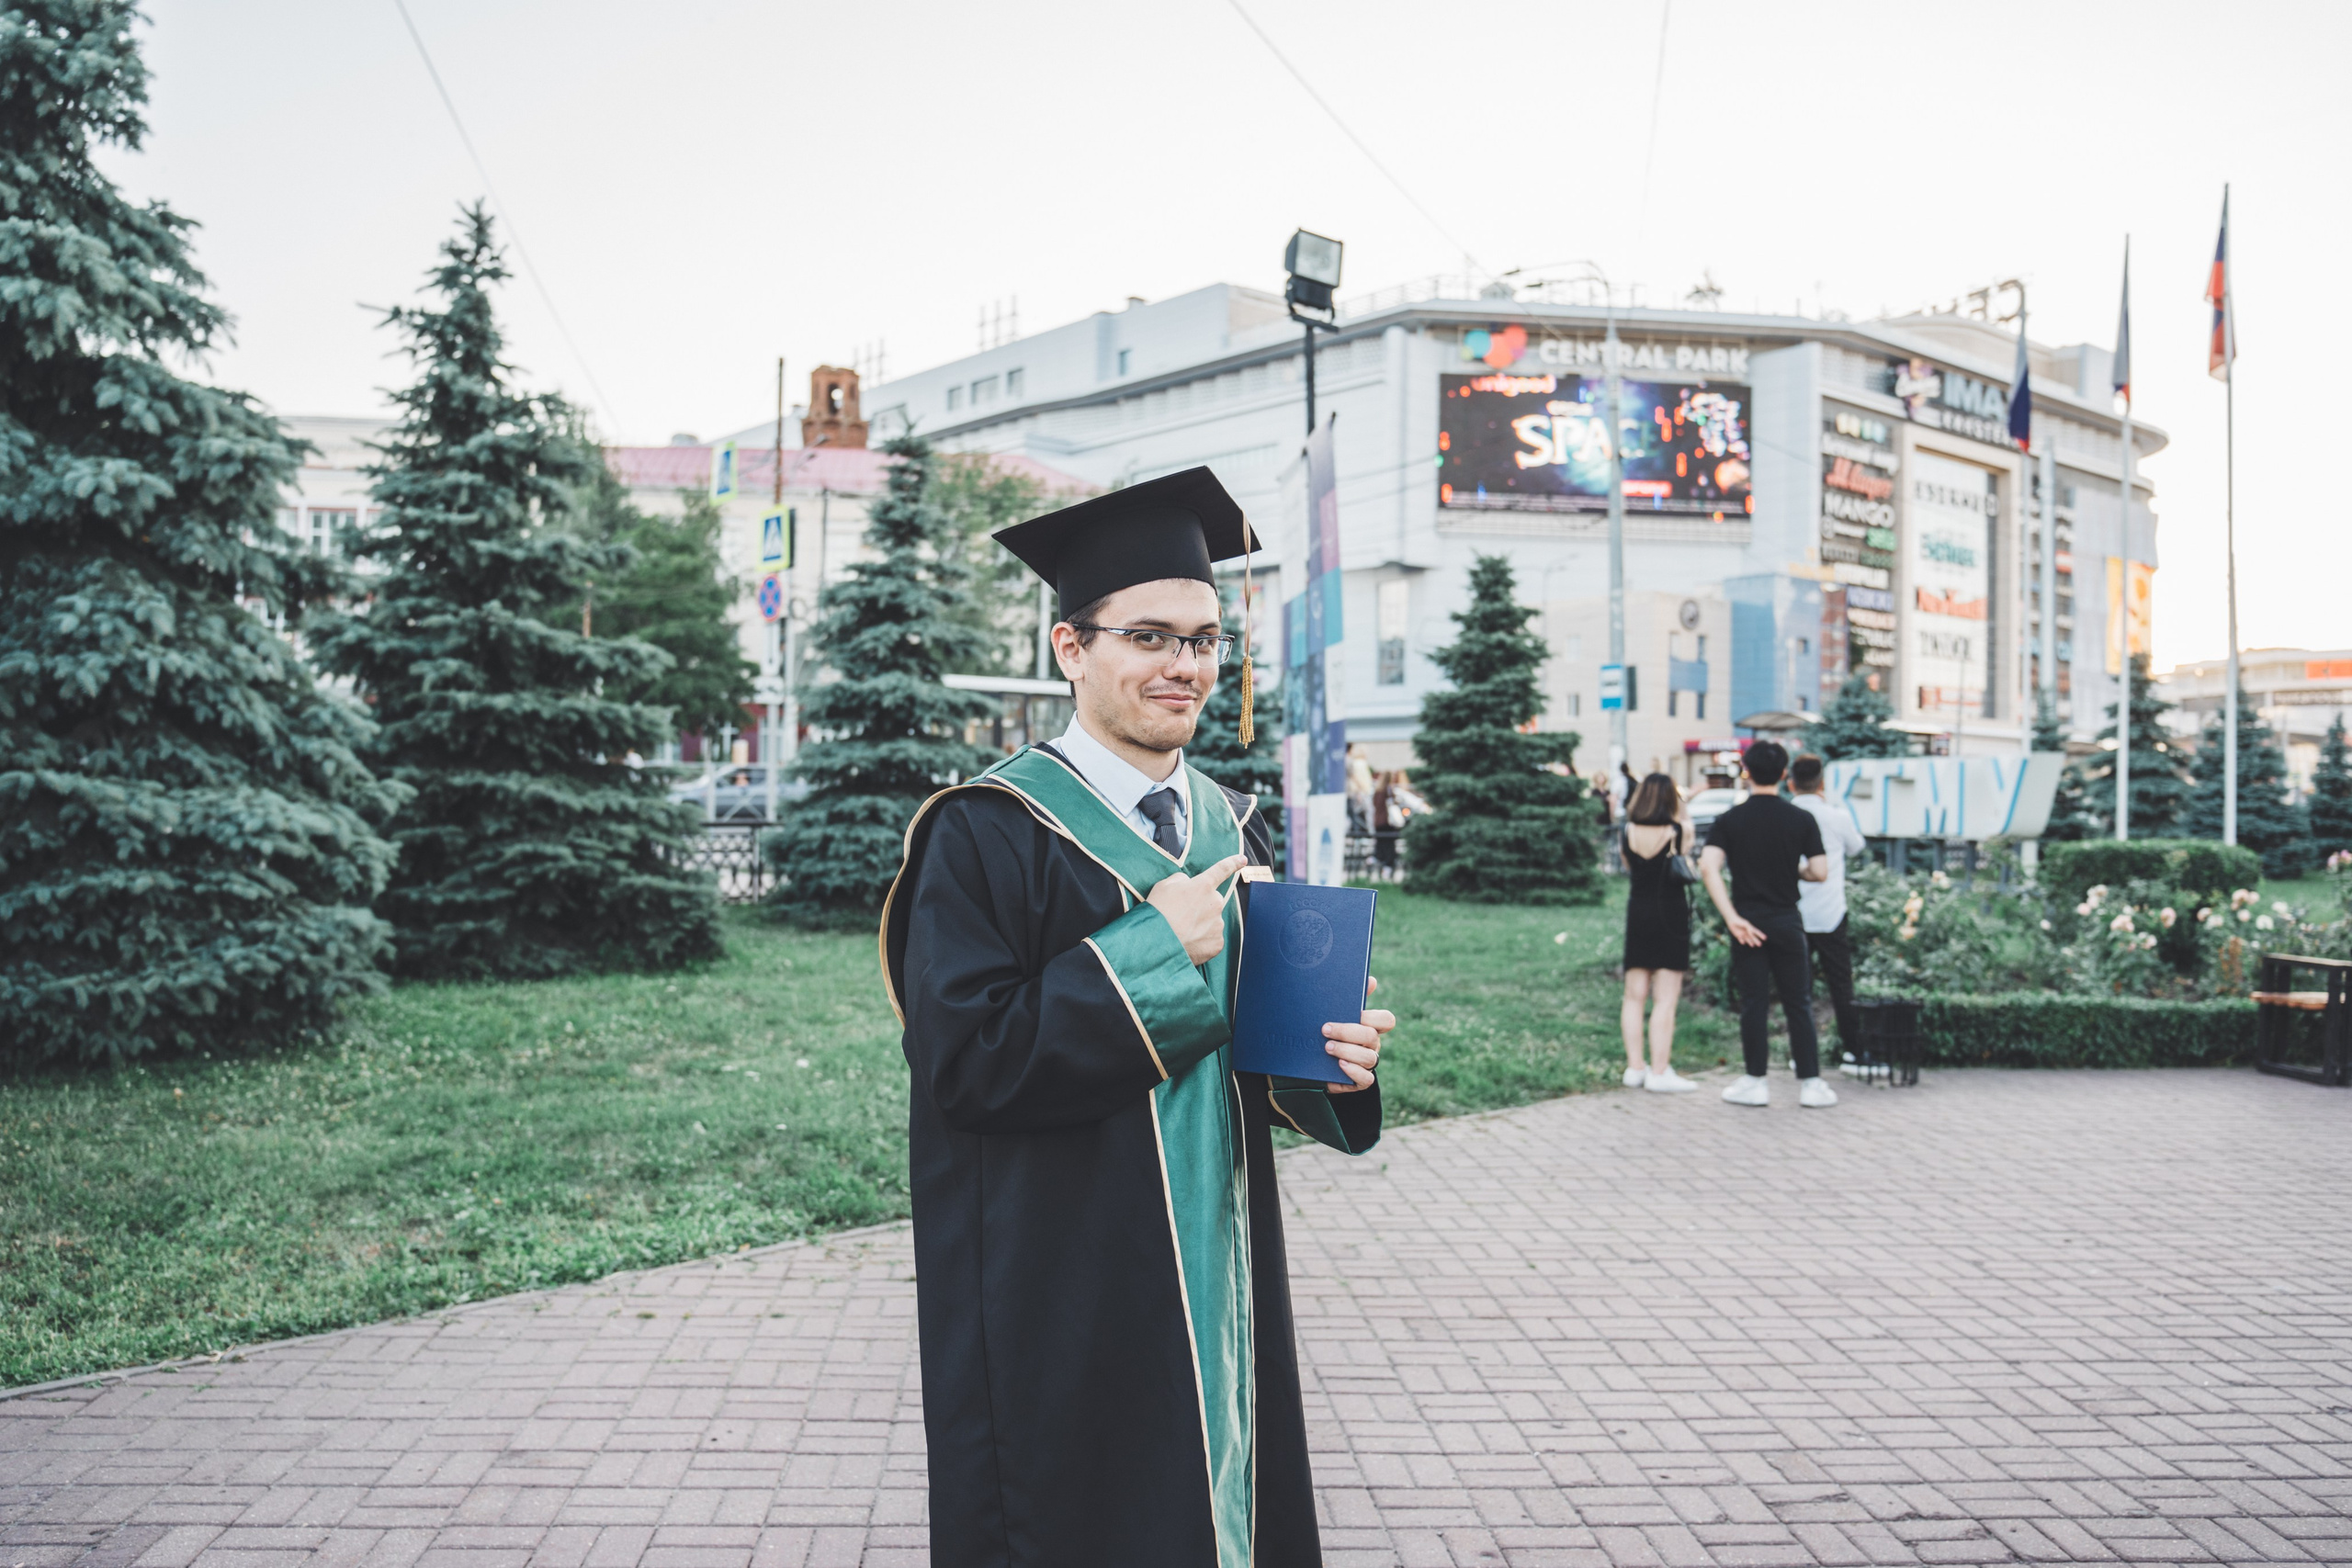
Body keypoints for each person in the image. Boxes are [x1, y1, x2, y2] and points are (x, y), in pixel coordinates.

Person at [882, 466, 1395, 1568]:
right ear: (1072, 648)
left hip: (1221, 1267)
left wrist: (1332, 1069)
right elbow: (967, 1065)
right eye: (1151, 637)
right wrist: (1152, 951)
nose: (1186, 667)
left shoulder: (1224, 826)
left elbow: (1247, 1059)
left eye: (1205, 641)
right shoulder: (984, 833)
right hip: (1064, 1277)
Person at [1697, 740, 1838, 1109]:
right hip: (1788, 920)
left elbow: (1708, 866)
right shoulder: (1801, 819)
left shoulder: (1730, 820)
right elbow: (1820, 871)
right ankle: (1811, 1084)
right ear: (1783, 775)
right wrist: (1796, 869)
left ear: (1746, 770)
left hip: (1748, 922)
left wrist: (1731, 918)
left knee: (1754, 1003)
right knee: (1798, 1002)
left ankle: (1755, 1081)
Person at [1618, 773, 1698, 1093]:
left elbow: (1628, 866)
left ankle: (1635, 1068)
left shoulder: (1627, 831)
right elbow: (1687, 848)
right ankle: (1660, 1071)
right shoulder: (1679, 831)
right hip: (1670, 913)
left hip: (1638, 911)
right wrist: (1681, 805)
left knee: (1633, 995)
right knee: (1665, 998)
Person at [1788, 753, 1868, 1059]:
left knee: (1798, 988)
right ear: (1821, 783)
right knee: (1841, 984)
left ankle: (1800, 1055)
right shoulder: (1838, 816)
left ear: (1791, 783)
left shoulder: (1787, 815)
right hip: (1831, 911)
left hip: (1795, 913)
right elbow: (1857, 847)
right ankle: (1854, 1051)